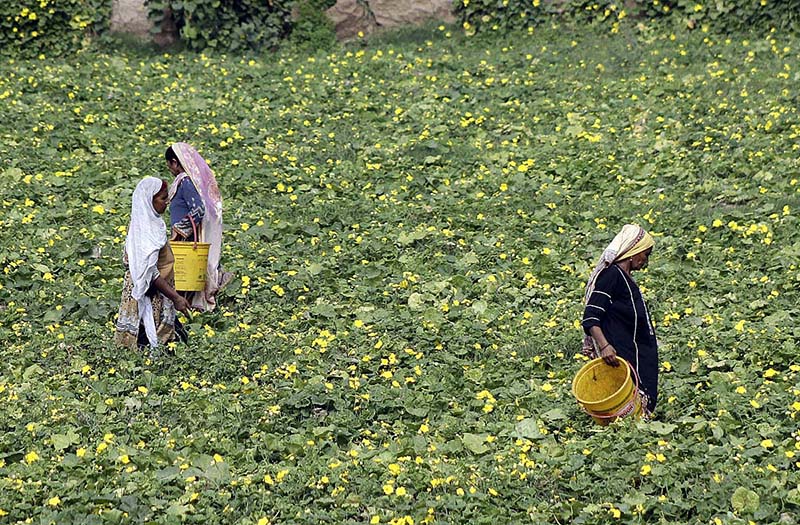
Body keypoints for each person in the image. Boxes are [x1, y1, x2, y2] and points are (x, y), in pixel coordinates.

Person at [581, 224, 658, 415]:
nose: (645, 261)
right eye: (645, 255)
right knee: (626, 402)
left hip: (637, 350)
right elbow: (591, 316)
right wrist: (605, 346)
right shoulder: (612, 276)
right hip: (623, 351)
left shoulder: (625, 277)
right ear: (634, 251)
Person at [115, 177, 190, 350]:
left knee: (164, 340)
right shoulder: (145, 230)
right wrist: (176, 297)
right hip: (151, 294)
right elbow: (150, 273)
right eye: (163, 198)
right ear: (149, 201)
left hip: (157, 292)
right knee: (149, 341)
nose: (167, 202)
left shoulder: (149, 223)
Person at [165, 142, 232, 312]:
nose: (169, 169)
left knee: (184, 273)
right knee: (185, 274)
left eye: (169, 165)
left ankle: (186, 309)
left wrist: (179, 231)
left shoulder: (186, 182)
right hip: (188, 237)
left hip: (187, 239)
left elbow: (199, 209)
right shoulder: (188, 181)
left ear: (174, 162)